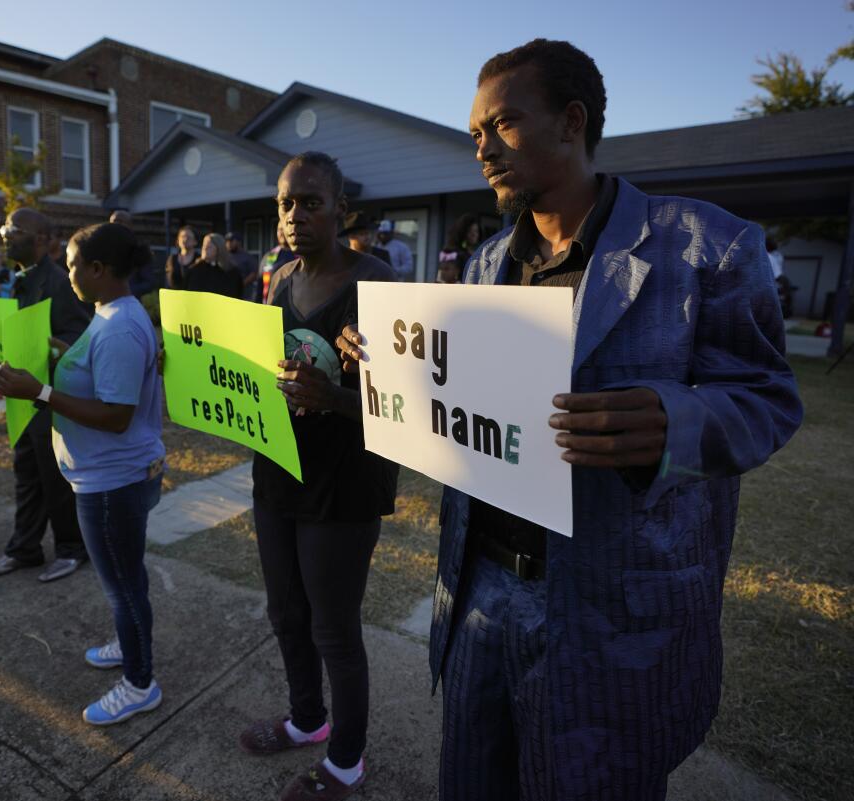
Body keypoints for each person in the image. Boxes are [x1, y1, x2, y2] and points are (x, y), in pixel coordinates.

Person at [337, 38, 803, 801]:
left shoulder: (706, 247)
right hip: (481, 590)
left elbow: (768, 400)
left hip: (611, 606)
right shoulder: (485, 264)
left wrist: (674, 419)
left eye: (504, 124)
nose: (482, 148)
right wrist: (381, 363)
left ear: (571, 122)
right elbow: (456, 403)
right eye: (475, 133)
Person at [238, 152, 398, 801]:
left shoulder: (377, 284)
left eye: (311, 202)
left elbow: (406, 404)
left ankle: (347, 759)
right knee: (285, 611)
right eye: (285, 203)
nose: (296, 215)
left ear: (341, 211)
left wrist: (334, 397)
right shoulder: (277, 279)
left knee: (334, 626)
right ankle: (307, 718)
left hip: (346, 481)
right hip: (278, 468)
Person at [0, 222, 165, 725]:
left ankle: (139, 683)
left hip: (111, 481)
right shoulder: (110, 313)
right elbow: (99, 375)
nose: (66, 274)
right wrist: (60, 353)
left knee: (123, 585)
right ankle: (128, 640)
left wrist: (39, 393)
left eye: (71, 265)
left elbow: (116, 415)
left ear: (98, 269)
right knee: (125, 579)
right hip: (110, 476)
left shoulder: (117, 327)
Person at [0, 208, 90, 583]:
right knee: (26, 474)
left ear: (41, 239)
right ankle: (24, 548)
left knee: (55, 479)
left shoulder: (57, 281)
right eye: (3, 227)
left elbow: (80, 335)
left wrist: (53, 347)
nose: (4, 234)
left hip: (48, 395)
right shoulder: (18, 279)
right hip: (22, 395)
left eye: (13, 229)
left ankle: (72, 549)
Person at [109, 210, 159, 298]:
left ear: (129, 226)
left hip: (129, 303)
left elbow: (149, 283)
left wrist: (125, 290)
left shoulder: (140, 251)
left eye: (119, 221)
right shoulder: (104, 248)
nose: (115, 225)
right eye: (112, 222)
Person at [183, 232, 243, 298]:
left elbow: (236, 296)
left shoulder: (232, 272)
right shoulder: (194, 270)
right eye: (204, 245)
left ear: (219, 249)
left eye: (209, 246)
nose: (205, 249)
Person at [436, 214, 480, 284]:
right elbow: (442, 277)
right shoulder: (451, 252)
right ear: (463, 232)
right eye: (470, 231)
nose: (474, 234)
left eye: (476, 231)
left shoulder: (476, 252)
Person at [258, 223, 295, 302]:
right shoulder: (269, 257)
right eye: (279, 229)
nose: (281, 232)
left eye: (284, 228)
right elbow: (260, 285)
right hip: (269, 306)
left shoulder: (300, 256)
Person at [224, 232, 261, 301]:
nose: (229, 244)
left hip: (244, 295)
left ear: (238, 242)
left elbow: (254, 273)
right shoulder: (225, 256)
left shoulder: (247, 257)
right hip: (228, 294)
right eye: (227, 241)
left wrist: (240, 284)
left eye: (231, 241)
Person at [164, 226, 198, 290]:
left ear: (195, 241)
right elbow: (168, 282)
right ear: (178, 240)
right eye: (182, 236)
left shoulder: (199, 260)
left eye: (189, 237)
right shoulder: (172, 259)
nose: (185, 239)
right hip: (175, 297)